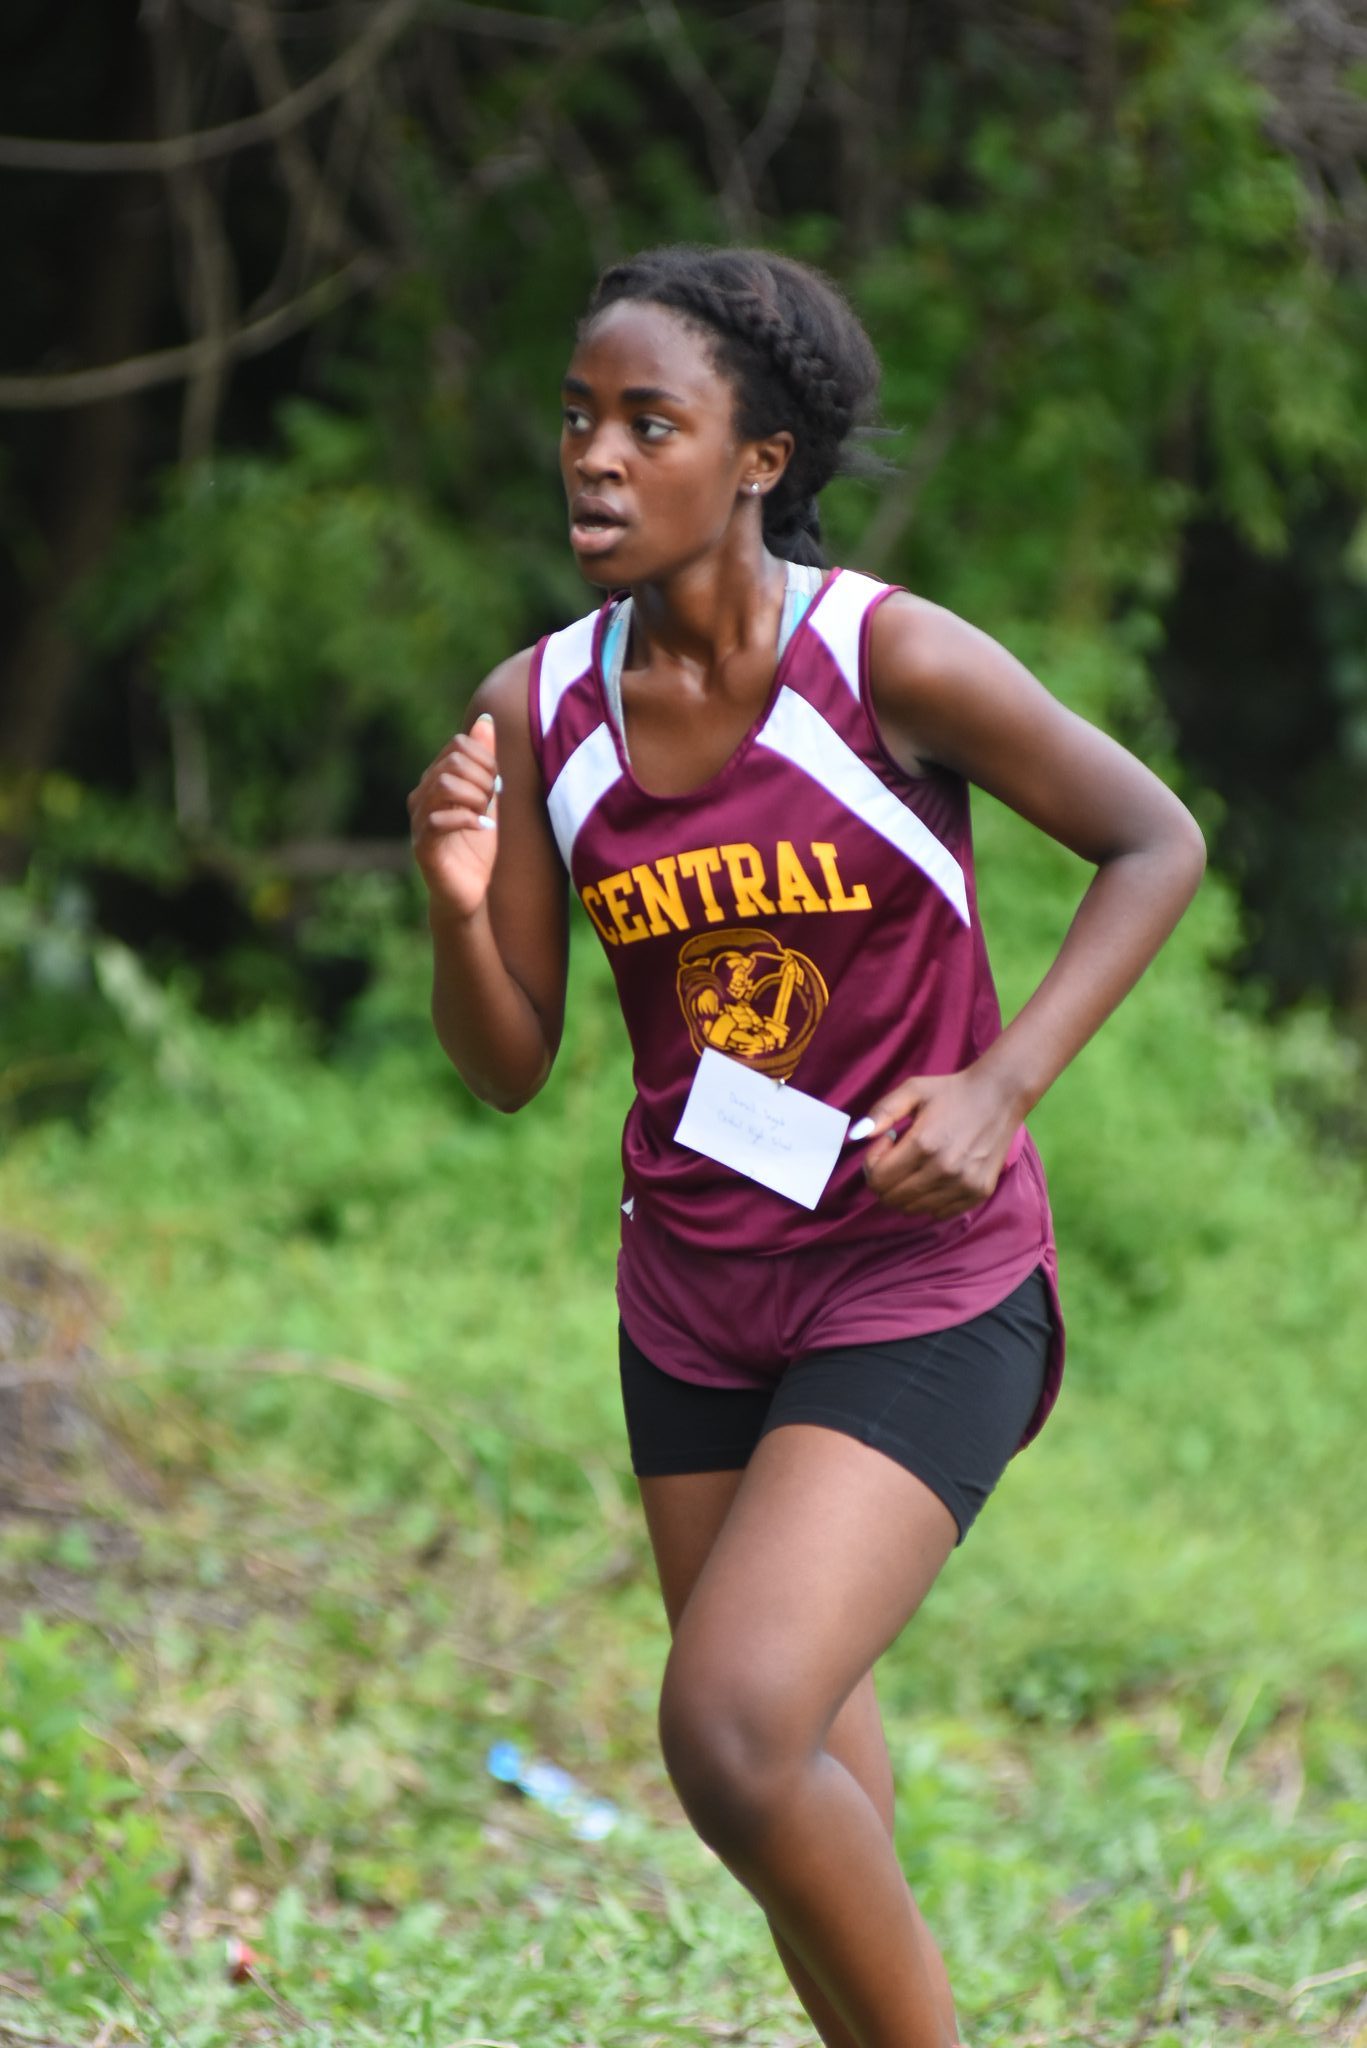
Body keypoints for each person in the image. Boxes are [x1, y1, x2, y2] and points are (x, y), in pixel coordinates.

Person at [408, 246, 1205, 2048]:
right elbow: (511, 1063)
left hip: (922, 1275)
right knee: (801, 1803)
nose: (594, 460)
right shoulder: (542, 708)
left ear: (758, 457)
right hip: (692, 1301)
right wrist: (461, 911)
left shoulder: (885, 659)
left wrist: (1000, 1085)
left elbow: (1156, 843)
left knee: (731, 1729)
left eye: (647, 424)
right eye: (576, 421)